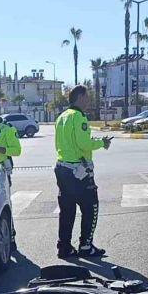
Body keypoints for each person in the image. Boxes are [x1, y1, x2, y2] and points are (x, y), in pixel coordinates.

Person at [54, 85, 112, 258]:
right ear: (80, 97)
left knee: (67, 210)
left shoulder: (62, 116)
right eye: (87, 97)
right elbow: (84, 144)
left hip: (62, 167)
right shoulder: (79, 117)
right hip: (78, 171)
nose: (89, 101)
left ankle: (64, 247)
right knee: (91, 207)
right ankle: (86, 246)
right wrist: (102, 143)